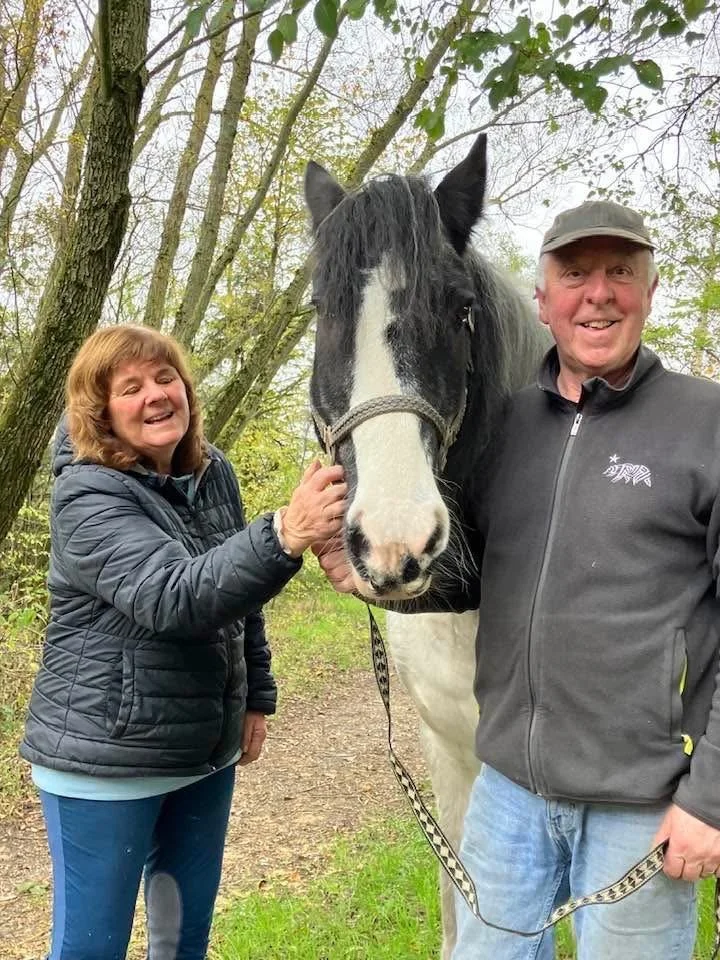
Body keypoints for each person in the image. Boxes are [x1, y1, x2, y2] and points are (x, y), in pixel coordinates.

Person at [317, 200, 720, 959]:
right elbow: (482, 583)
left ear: (650, 290)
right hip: (506, 794)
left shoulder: (706, 424)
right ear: (543, 298)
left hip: (639, 798)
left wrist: (712, 800)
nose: (597, 293)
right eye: (574, 274)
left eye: (619, 273)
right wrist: (366, 574)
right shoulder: (504, 429)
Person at [20, 324, 347, 960]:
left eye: (166, 378)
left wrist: (256, 695)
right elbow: (174, 597)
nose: (155, 396)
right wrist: (284, 531)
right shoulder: (86, 493)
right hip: (105, 762)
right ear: (101, 411)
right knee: (92, 947)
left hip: (202, 751)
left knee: (180, 939)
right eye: (130, 387)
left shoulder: (211, 471)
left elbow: (237, 598)